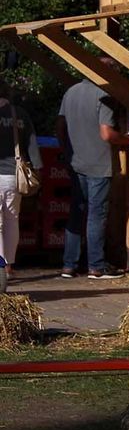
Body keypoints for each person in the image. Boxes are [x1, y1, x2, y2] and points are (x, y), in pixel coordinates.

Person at [56, 80, 129, 280]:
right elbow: (106, 133)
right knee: (96, 215)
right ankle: (96, 266)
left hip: (76, 162)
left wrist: (66, 152)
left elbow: (60, 127)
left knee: (76, 212)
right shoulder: (103, 95)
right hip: (99, 163)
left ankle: (68, 265)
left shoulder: (70, 91)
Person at [0, 90, 36, 292]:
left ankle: (0, 271)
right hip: (13, 175)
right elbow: (31, 144)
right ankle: (8, 266)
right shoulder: (18, 114)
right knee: (12, 219)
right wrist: (37, 167)